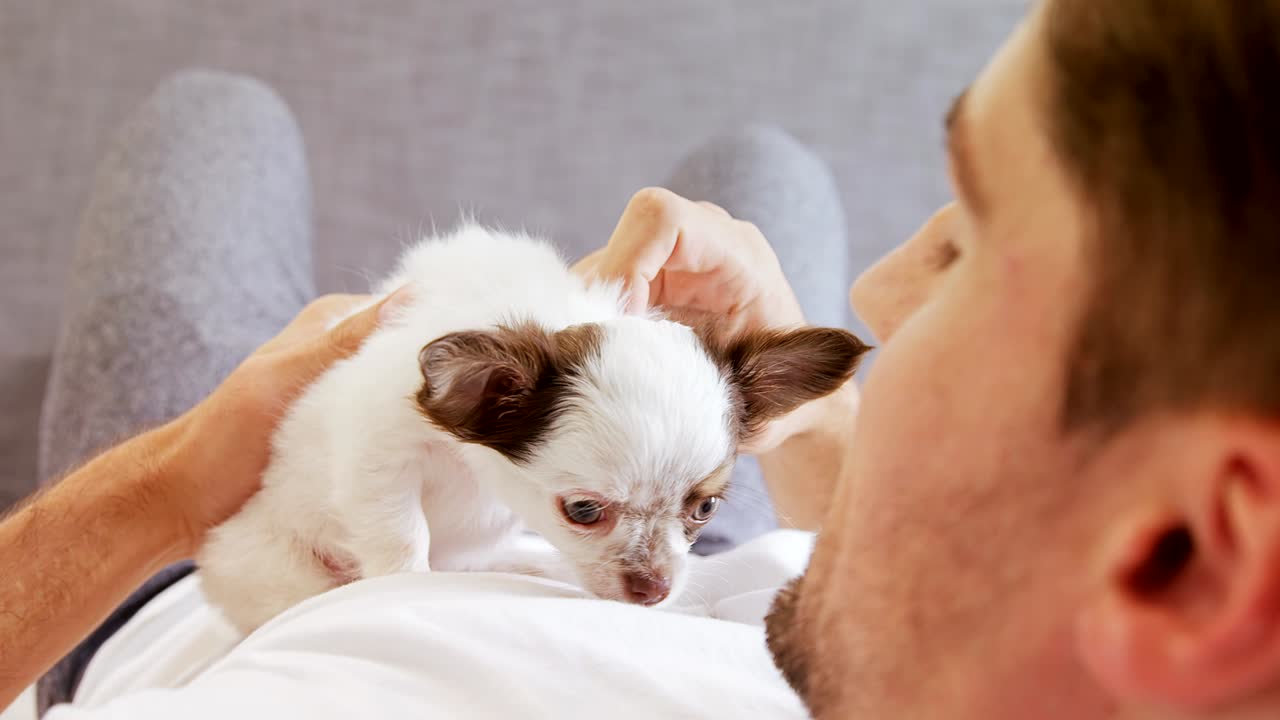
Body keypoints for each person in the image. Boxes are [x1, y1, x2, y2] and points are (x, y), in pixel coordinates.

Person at [4, 0, 1280, 717]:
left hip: (216, 560)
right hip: (688, 529)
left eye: (960, 240)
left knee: (214, 121)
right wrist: (803, 437)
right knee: (766, 173)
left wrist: (159, 486)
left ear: (1192, 560)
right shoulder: (947, 650)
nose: (884, 290)